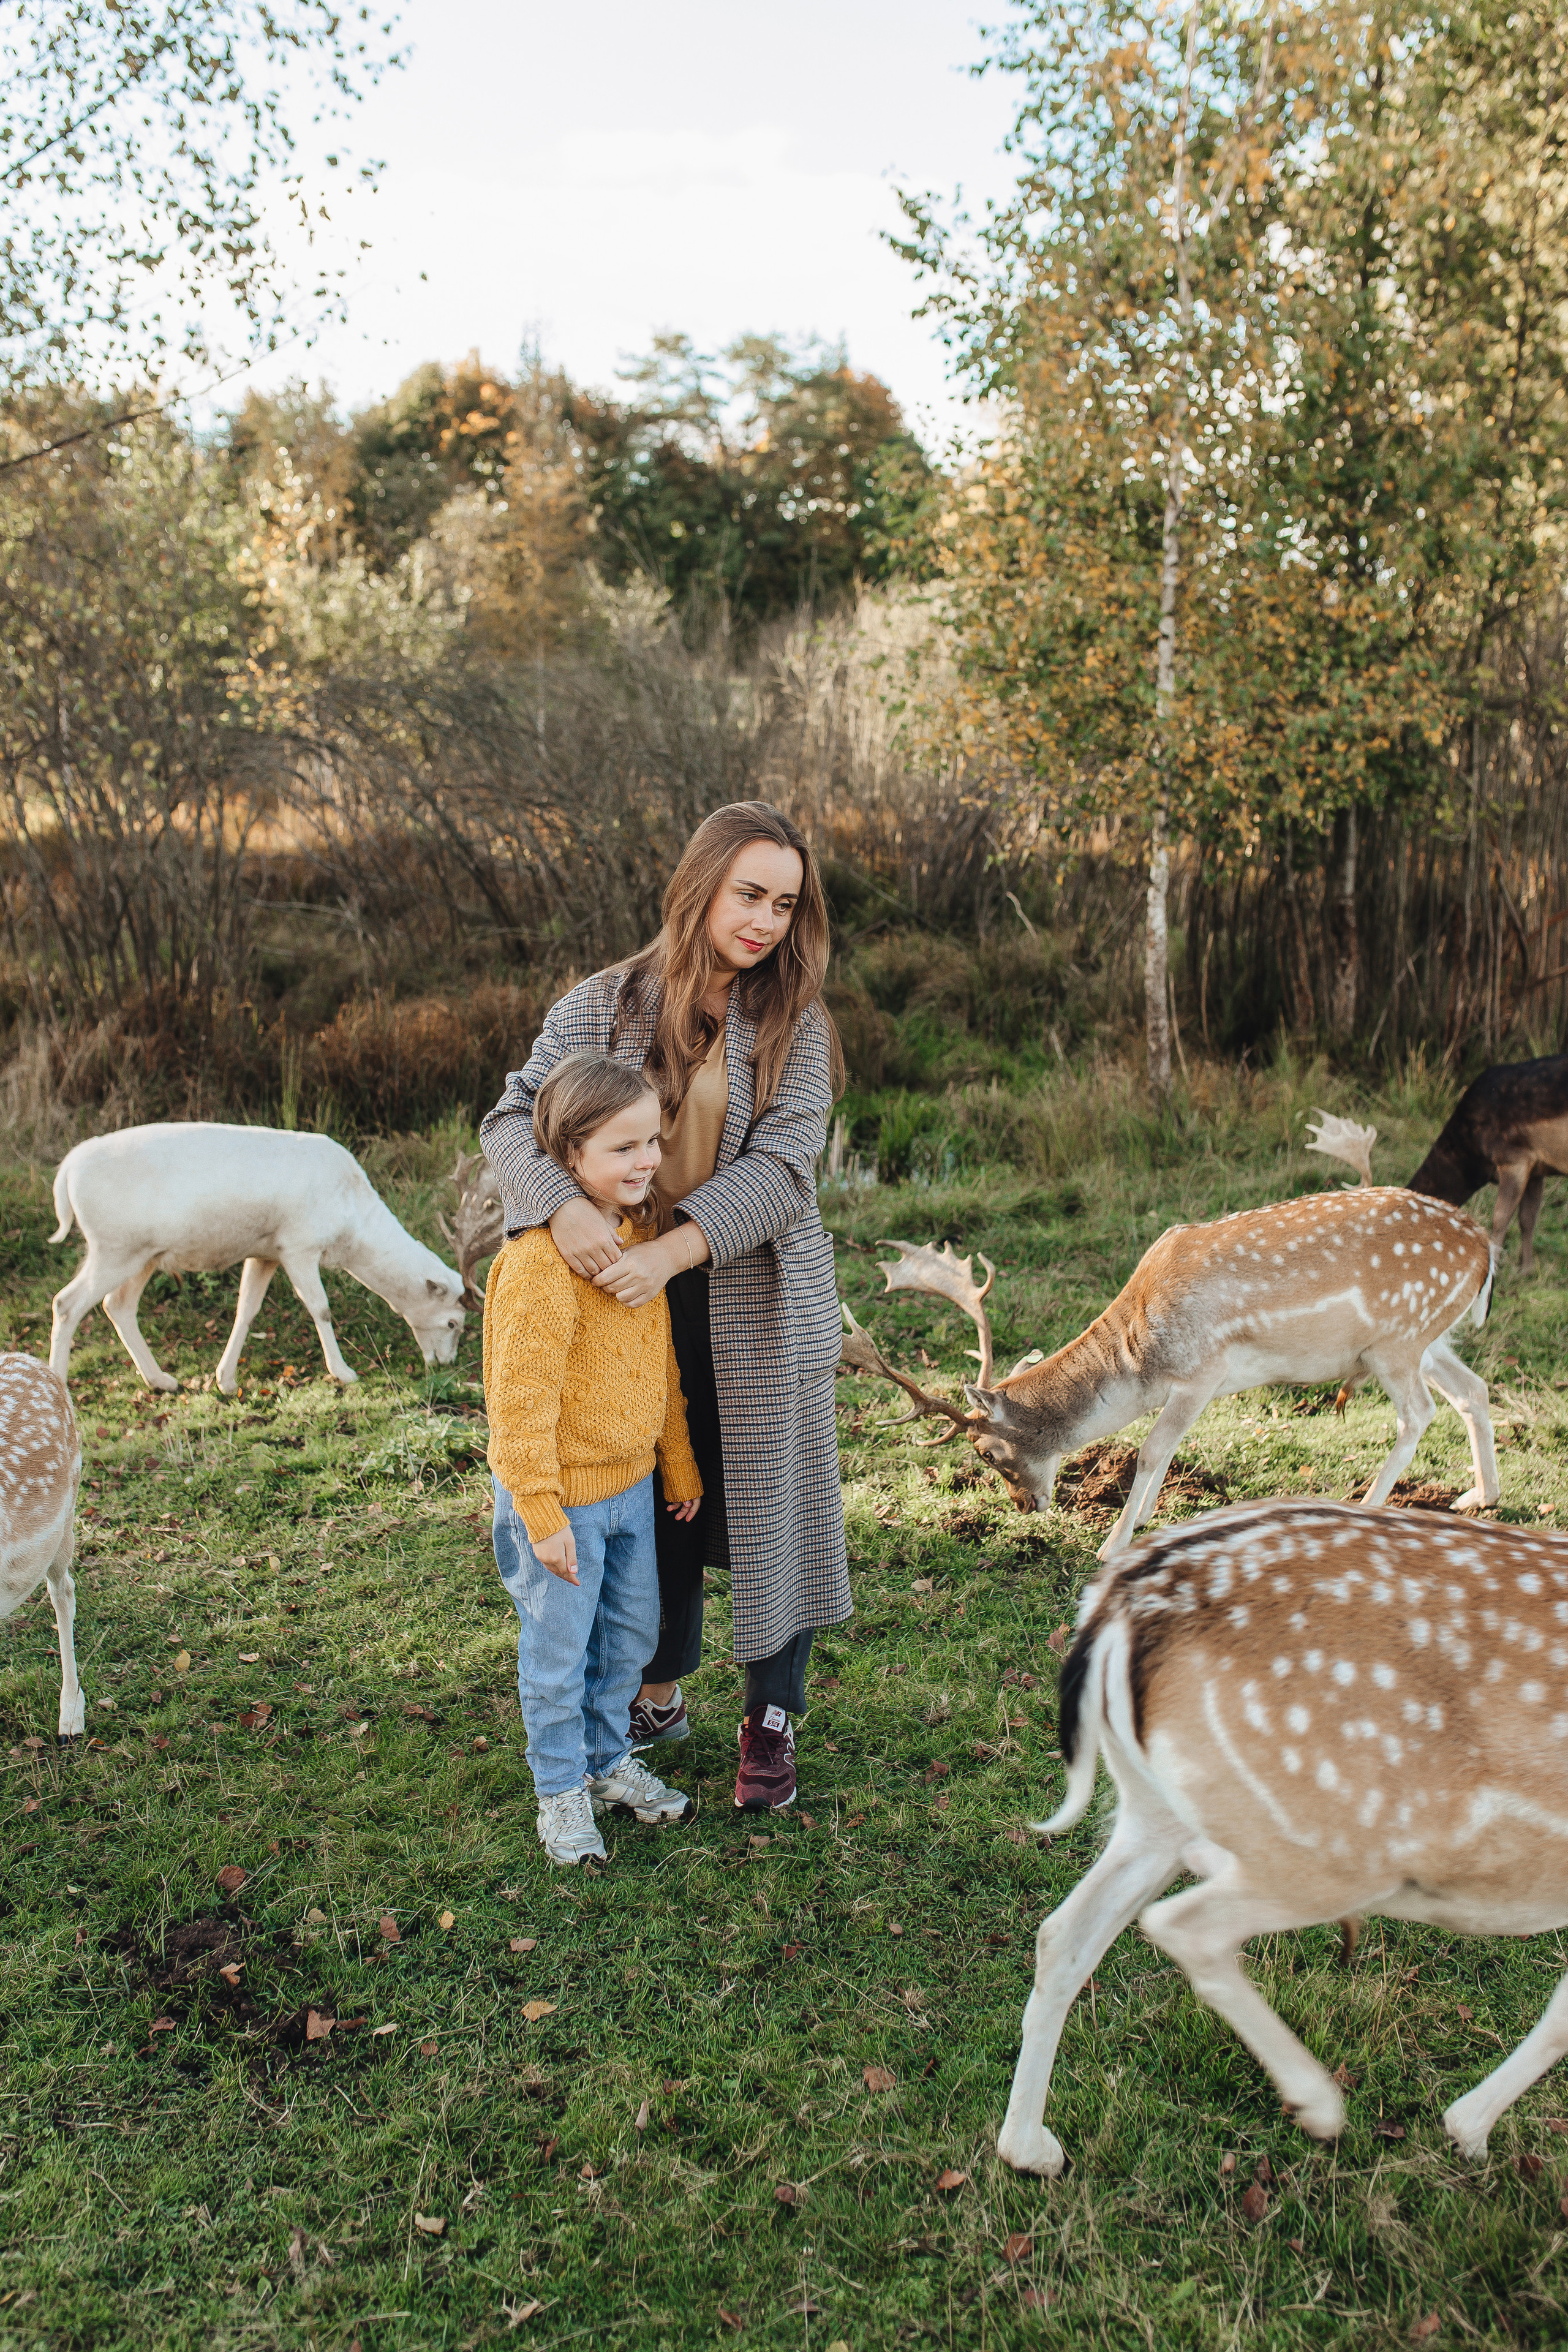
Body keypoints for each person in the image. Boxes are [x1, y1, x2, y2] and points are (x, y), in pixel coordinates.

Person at [481, 800, 850, 1813]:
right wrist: (561, 1209)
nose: (767, 920)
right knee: (662, 1505)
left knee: (771, 1506)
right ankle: (653, 1686)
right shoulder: (604, 1002)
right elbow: (512, 1114)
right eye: (749, 895)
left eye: (785, 902)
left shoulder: (796, 1024)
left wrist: (680, 1250)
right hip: (619, 1294)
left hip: (753, 1292)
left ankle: (772, 1714)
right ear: (700, 888)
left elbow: (783, 1170)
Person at [484, 1052, 704, 1868]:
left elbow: (662, 1371)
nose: (646, 1160)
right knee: (557, 1653)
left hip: (633, 1493)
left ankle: (609, 1761)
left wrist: (677, 1467)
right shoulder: (543, 1265)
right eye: (622, 1148)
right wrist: (539, 1513)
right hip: (562, 1504)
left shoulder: (643, 1242)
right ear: (568, 1158)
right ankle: (560, 1791)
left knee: (630, 1637)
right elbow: (519, 1401)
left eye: (652, 1141)